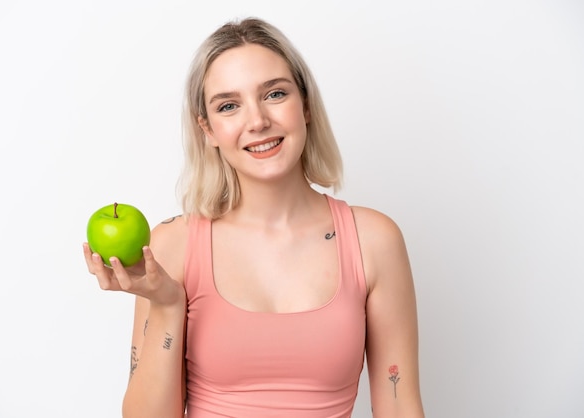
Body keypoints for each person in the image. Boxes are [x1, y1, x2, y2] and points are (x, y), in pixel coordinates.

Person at [84, 17, 425, 418]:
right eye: (229, 105)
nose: (258, 120)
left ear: (307, 105)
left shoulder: (373, 240)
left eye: (275, 94)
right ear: (208, 129)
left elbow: (401, 407)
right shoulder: (171, 244)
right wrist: (166, 305)